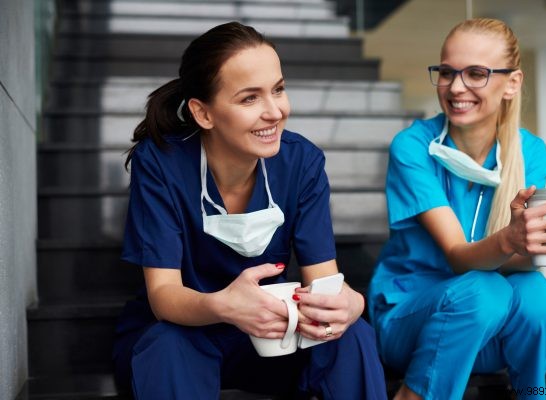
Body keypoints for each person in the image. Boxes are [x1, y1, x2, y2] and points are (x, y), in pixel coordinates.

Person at [112, 21, 386, 400]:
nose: (274, 112)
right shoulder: (161, 163)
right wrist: (223, 306)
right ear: (203, 113)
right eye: (249, 98)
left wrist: (351, 303)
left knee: (351, 335)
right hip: (187, 333)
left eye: (278, 89)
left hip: (269, 337)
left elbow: (324, 281)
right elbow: (164, 295)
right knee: (166, 345)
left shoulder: (301, 162)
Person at [367, 17, 546, 400]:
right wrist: (513, 238)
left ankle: (532, 393)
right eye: (447, 72)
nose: (456, 87)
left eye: (475, 74)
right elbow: (458, 257)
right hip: (413, 324)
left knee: (536, 294)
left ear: (512, 83)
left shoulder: (530, 151)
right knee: (483, 291)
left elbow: (514, 262)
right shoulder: (413, 147)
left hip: (487, 331)